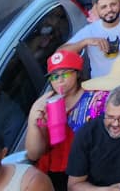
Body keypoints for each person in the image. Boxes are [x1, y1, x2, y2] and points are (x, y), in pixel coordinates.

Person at [25, 50, 90, 191]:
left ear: (77, 73)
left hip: (87, 167)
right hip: (57, 171)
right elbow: (33, 154)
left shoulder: (93, 96)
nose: (59, 80)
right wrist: (33, 121)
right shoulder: (45, 104)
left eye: (65, 74)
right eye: (54, 76)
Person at [62, 0, 120, 77]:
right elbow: (60, 53)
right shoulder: (90, 30)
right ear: (96, 10)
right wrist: (85, 42)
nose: (109, 9)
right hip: (102, 83)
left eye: (113, 4)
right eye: (103, 7)